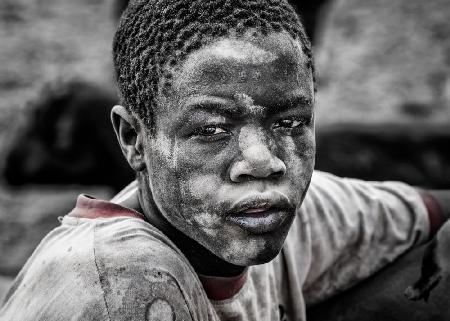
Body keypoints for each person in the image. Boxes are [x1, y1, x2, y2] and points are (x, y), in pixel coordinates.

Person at [1, 1, 449, 320]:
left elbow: (431, 207)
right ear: (133, 139)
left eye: (289, 123)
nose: (263, 162)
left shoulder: (284, 214)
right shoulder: (122, 282)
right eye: (211, 130)